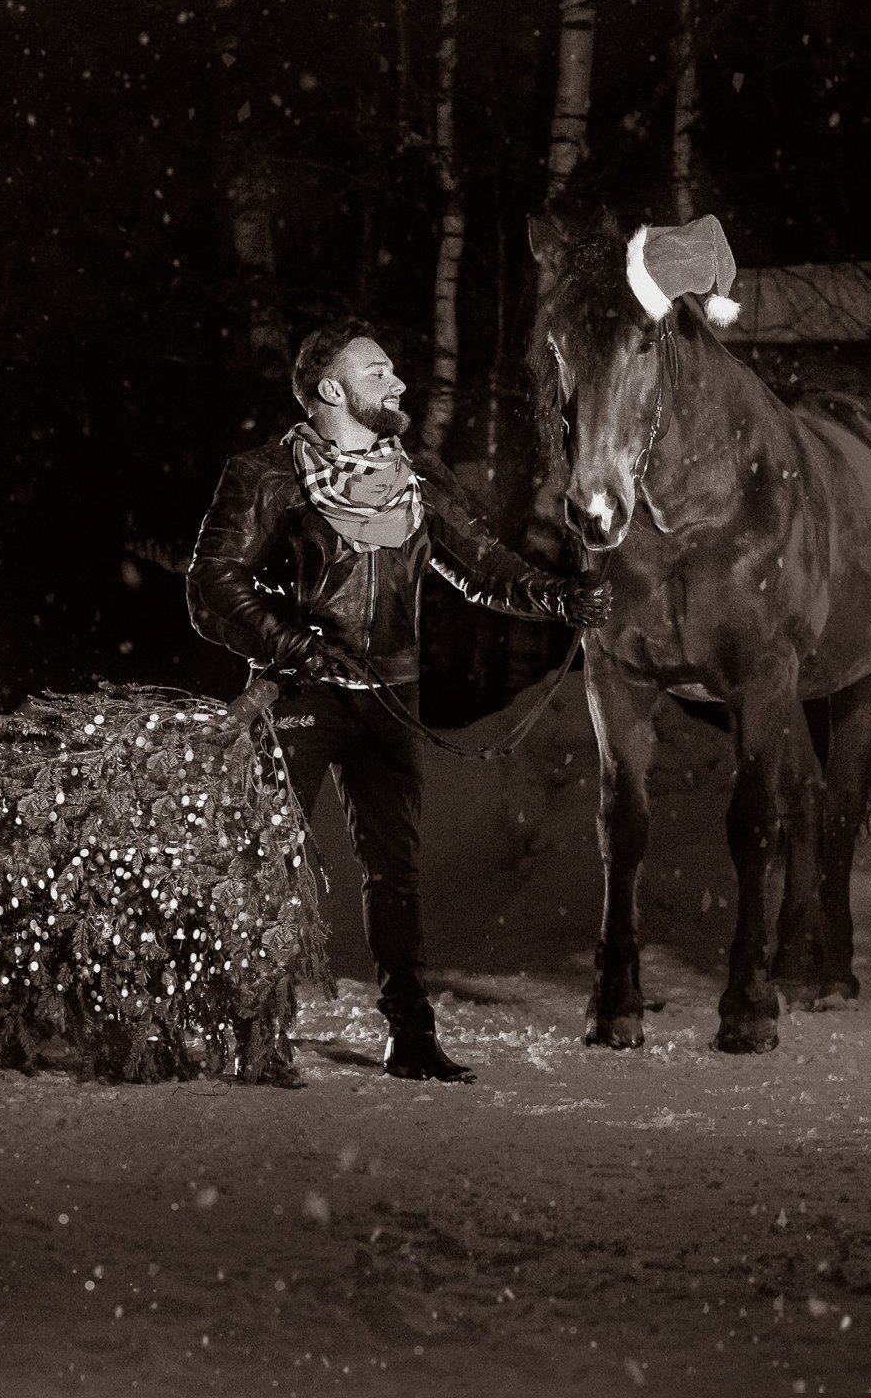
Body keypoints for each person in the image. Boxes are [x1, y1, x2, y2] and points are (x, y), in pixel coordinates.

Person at [187, 318, 613, 1084]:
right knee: (267, 865)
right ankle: (253, 1034)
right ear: (331, 389)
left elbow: (481, 563)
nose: (399, 383)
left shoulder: (415, 477)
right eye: (377, 373)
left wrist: (558, 597)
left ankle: (411, 1038)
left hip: (391, 695)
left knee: (397, 873)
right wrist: (290, 644)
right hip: (301, 694)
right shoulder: (266, 476)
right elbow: (212, 584)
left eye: (393, 371)